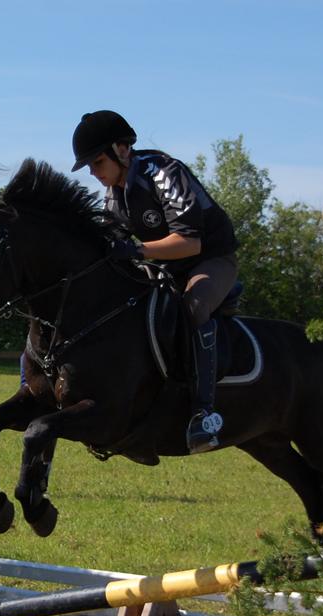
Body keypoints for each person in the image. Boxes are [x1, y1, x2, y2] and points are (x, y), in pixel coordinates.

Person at [70, 110, 239, 454]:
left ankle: (204, 414)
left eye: (97, 161)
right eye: (89, 165)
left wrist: (134, 250)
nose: (93, 172)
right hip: (165, 266)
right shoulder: (114, 193)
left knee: (192, 308)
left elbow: (190, 242)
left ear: (122, 149)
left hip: (210, 259)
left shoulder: (164, 173)